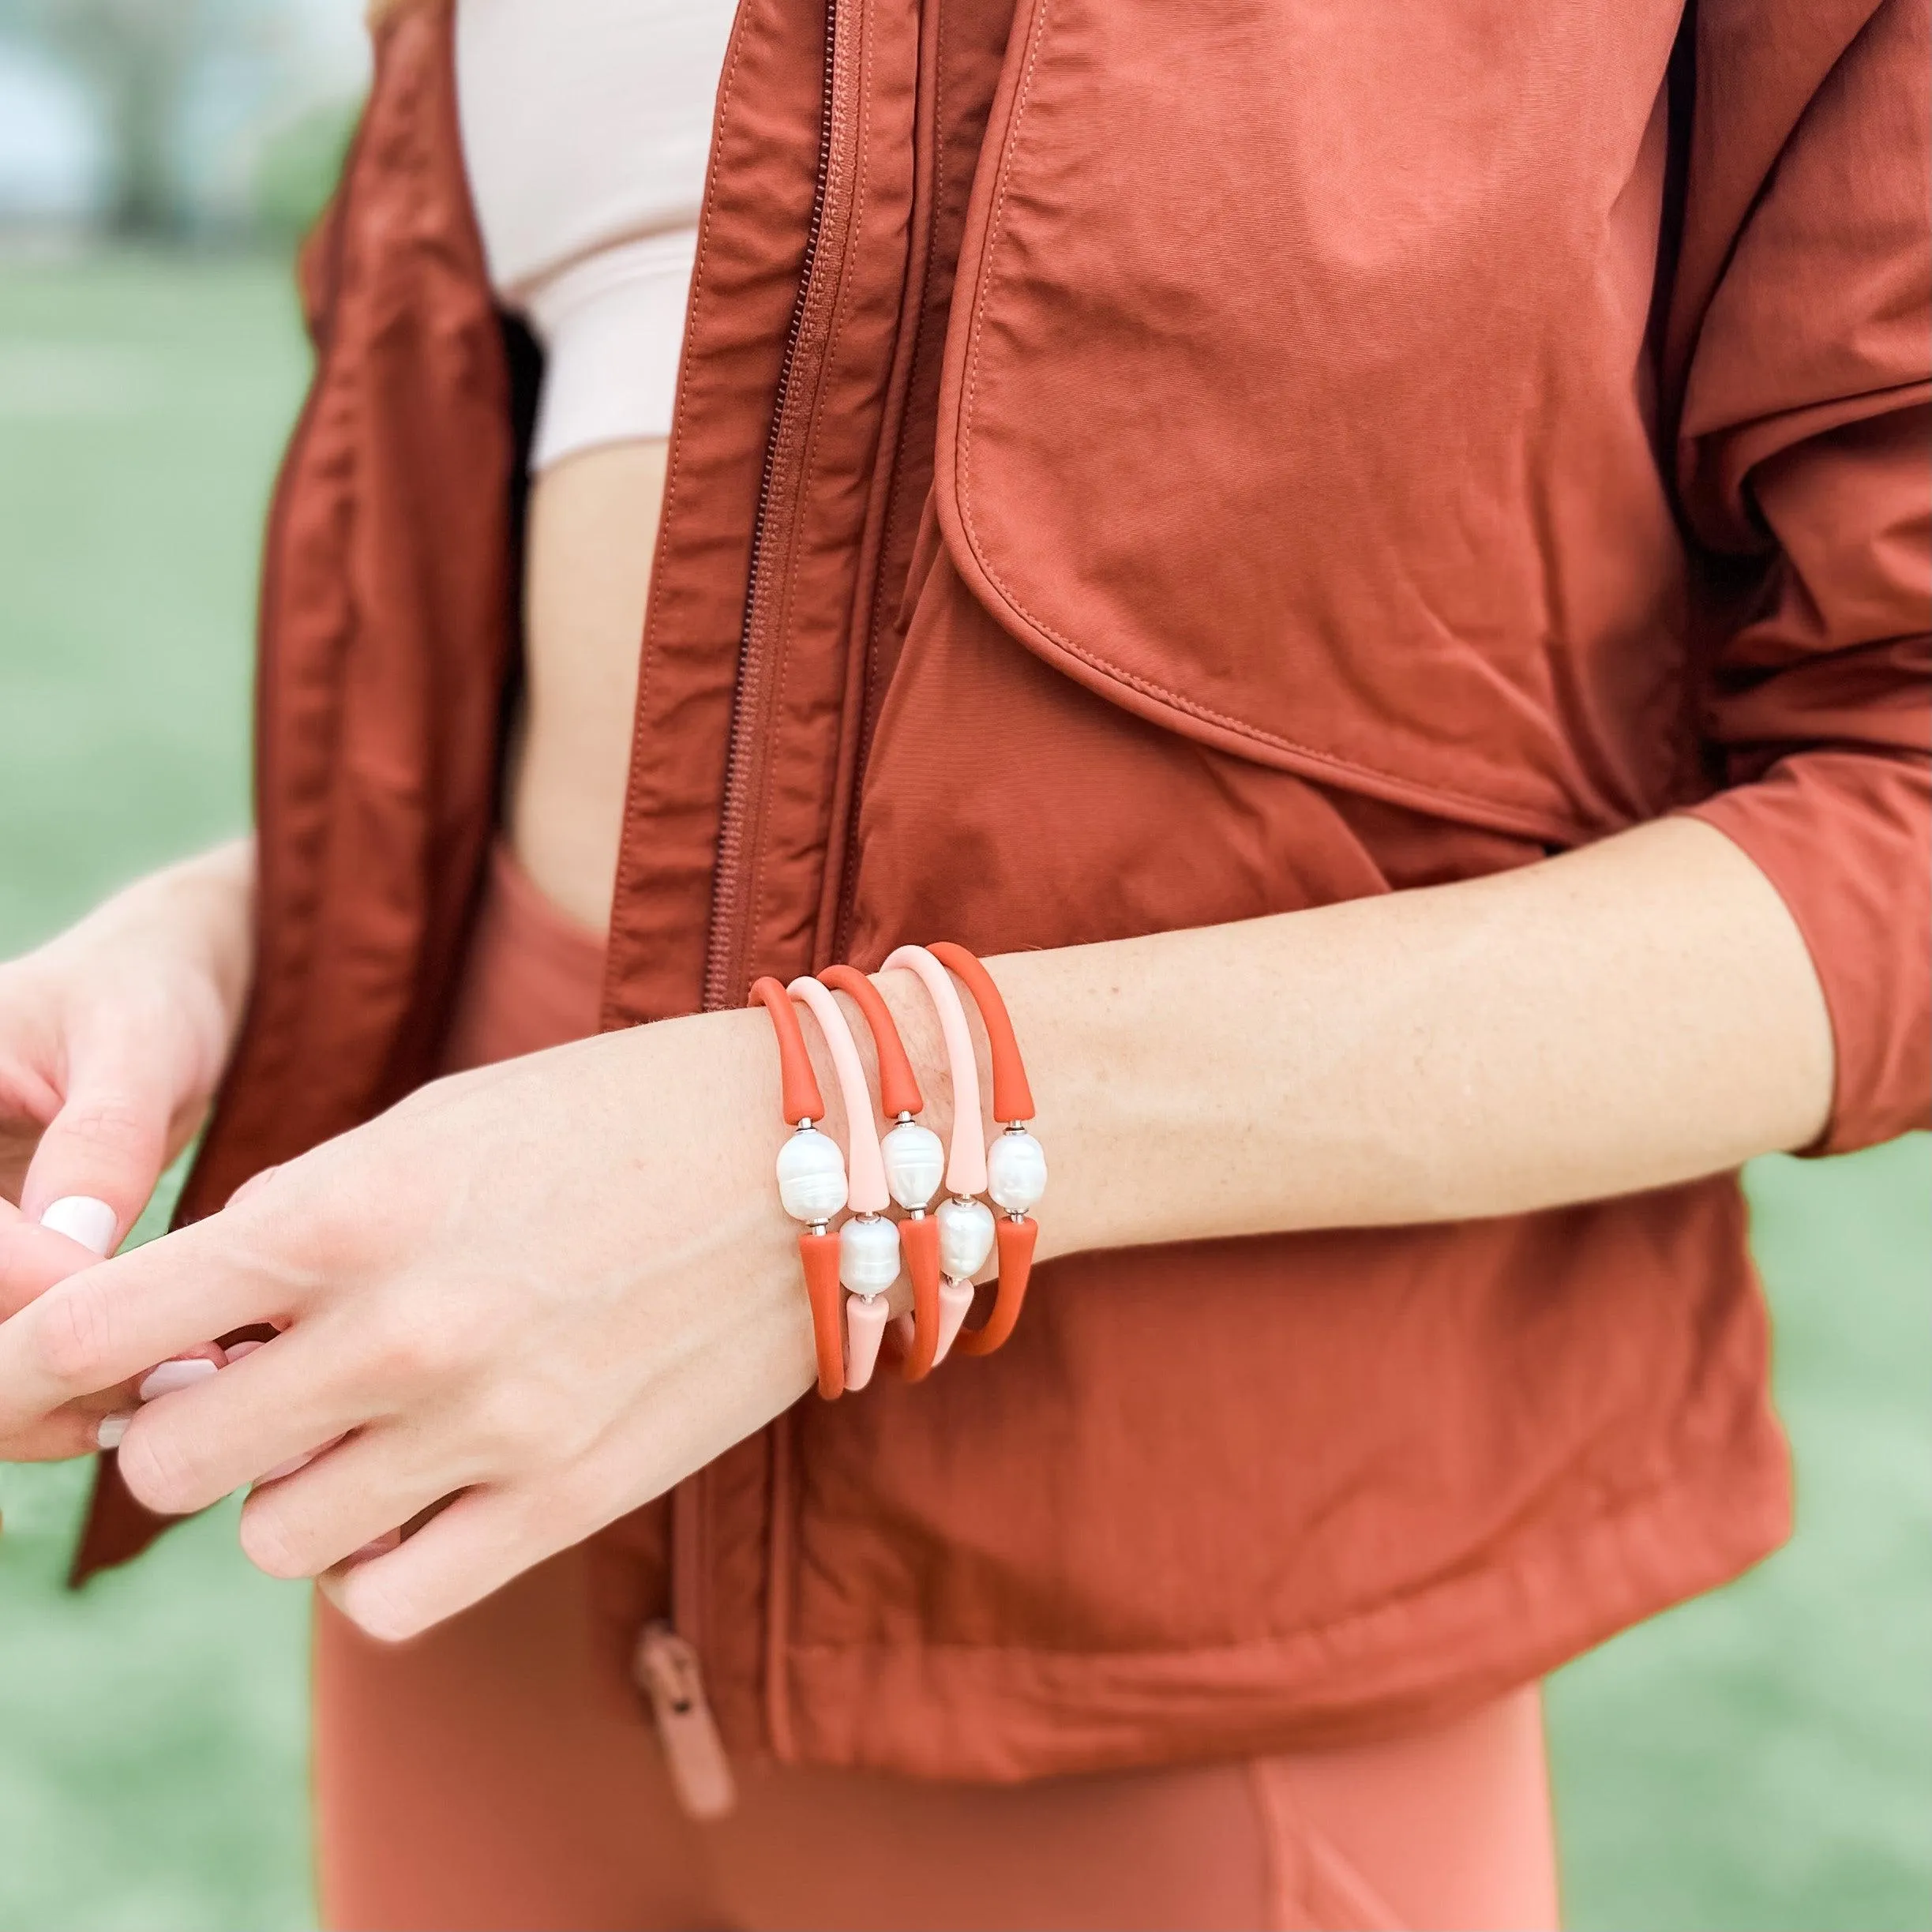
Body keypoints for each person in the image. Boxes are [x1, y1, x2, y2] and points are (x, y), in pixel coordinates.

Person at [1, 0, 1925, 1924]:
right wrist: (238, 928)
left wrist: (832, 1150)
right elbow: (651, 563)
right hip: (467, 1484)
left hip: (1149, 1607)